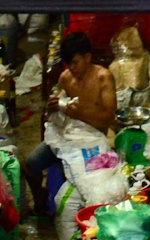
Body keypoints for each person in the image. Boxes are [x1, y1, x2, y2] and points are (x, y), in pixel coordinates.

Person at [23, 33, 119, 215]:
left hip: (93, 141)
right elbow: (55, 108)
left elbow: (109, 117)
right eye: (69, 64)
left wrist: (81, 112)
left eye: (76, 62)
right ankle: (40, 200)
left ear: (88, 57)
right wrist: (51, 107)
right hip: (68, 137)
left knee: (91, 186)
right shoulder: (66, 78)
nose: (72, 68)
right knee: (30, 164)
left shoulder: (103, 77)